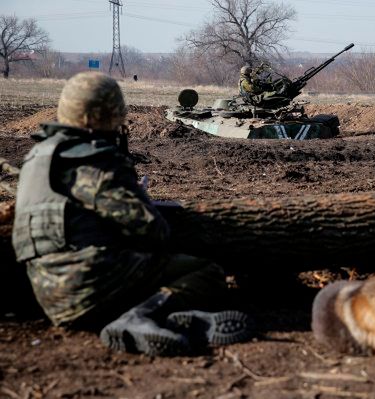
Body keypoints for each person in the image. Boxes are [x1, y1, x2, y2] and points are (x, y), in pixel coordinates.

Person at [12, 71, 252, 356]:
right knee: (207, 273)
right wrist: (139, 197)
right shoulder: (94, 157)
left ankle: (153, 319)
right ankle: (141, 316)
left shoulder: (35, 158)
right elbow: (152, 231)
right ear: (111, 114)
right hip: (94, 286)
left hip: (48, 296)